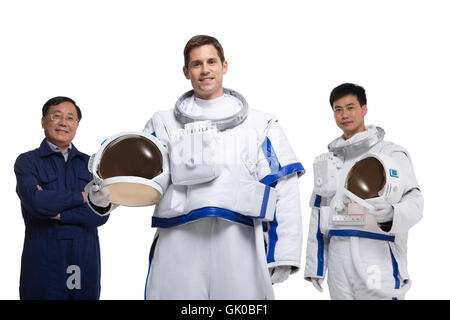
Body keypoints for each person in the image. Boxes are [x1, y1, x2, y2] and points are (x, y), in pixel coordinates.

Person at [138, 35, 305, 299]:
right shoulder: (163, 123)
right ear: (186, 71)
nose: (205, 70)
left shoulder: (260, 125)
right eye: (196, 64)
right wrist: (105, 197)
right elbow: (140, 176)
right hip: (179, 238)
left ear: (224, 66)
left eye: (211, 62)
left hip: (238, 238)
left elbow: (284, 186)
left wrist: (283, 252)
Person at [304, 83, 424, 300]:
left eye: (350, 107)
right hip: (338, 257)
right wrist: (316, 265)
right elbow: (318, 213)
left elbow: (415, 201)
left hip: (375, 252)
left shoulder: (389, 152)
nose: (344, 115)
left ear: (364, 109)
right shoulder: (329, 161)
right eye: (338, 109)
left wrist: (392, 214)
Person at [14, 96, 109, 300]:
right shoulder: (27, 162)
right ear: (43, 121)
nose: (63, 123)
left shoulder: (92, 165)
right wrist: (85, 197)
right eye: (56, 116)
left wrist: (57, 213)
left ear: (76, 125)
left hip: (84, 257)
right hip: (43, 257)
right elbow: (37, 203)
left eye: (70, 118)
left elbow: (100, 215)